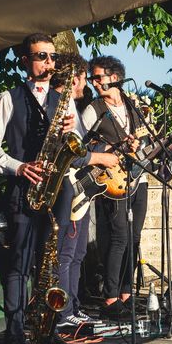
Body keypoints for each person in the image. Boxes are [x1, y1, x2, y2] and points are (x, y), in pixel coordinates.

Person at [0, 34, 76, 344]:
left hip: (57, 191)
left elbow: (78, 150)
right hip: (24, 189)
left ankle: (48, 331)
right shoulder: (9, 97)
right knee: (19, 266)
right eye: (40, 57)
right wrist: (18, 167)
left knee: (49, 266)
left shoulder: (64, 102)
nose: (48, 63)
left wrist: (71, 133)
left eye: (51, 57)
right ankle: (15, 337)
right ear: (25, 62)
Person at [48, 53, 119, 328]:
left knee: (76, 255)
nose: (86, 83)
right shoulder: (58, 105)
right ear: (74, 76)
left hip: (75, 186)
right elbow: (71, 153)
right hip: (65, 186)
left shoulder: (72, 105)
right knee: (65, 255)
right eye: (84, 77)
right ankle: (62, 313)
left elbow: (81, 148)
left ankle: (73, 307)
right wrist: (100, 158)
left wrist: (107, 150)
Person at [82, 56, 149, 320]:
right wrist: (106, 149)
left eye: (98, 77)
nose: (95, 83)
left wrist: (137, 147)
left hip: (137, 178)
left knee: (134, 238)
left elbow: (143, 140)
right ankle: (110, 299)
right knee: (119, 237)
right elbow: (78, 146)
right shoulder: (94, 109)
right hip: (111, 182)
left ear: (115, 77)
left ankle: (126, 294)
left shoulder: (133, 106)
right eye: (92, 78)